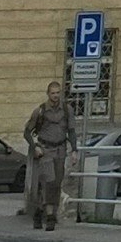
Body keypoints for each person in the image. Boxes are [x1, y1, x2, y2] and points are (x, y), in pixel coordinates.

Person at [20, 82, 74, 231]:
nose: (55, 96)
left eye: (58, 93)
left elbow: (72, 131)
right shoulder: (40, 111)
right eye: (53, 93)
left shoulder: (67, 110)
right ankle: (50, 217)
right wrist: (35, 146)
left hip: (61, 149)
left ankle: (39, 211)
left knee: (56, 183)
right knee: (48, 182)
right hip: (45, 149)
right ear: (48, 94)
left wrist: (74, 150)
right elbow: (27, 132)